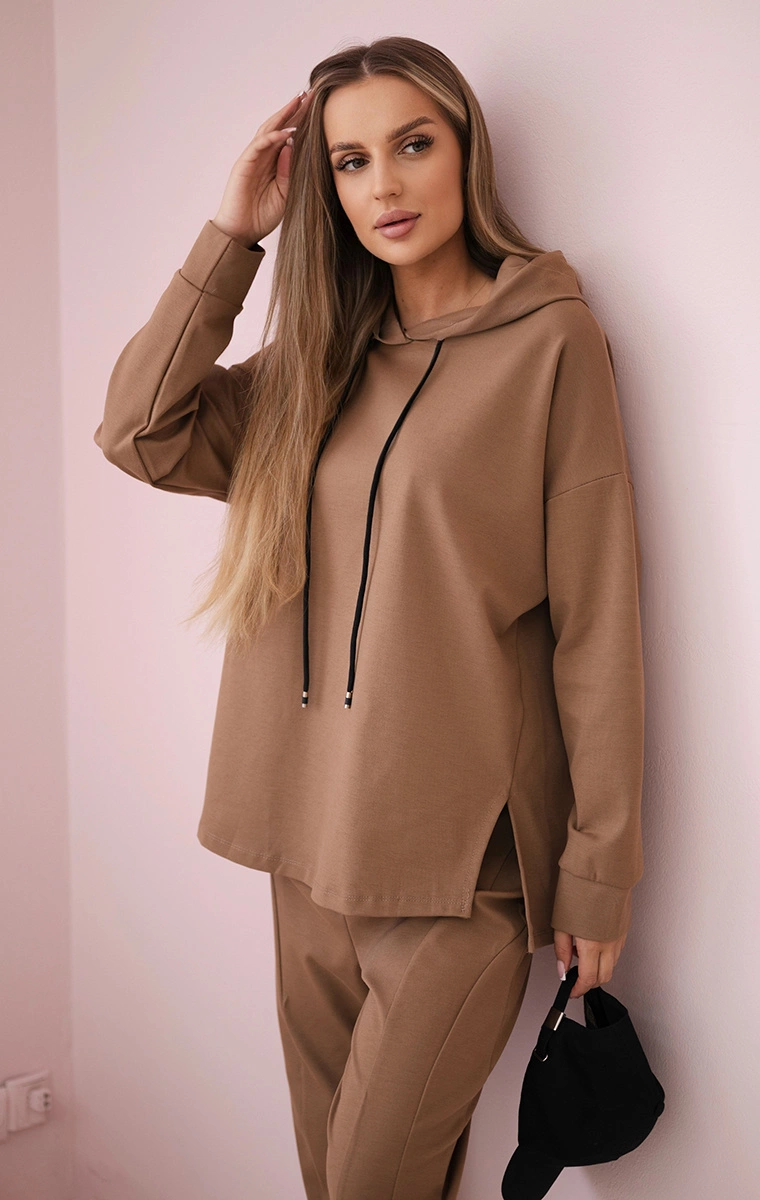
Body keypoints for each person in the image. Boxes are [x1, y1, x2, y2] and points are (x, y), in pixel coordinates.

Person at [93, 35, 645, 1200]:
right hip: (302, 846)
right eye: (349, 163)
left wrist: (598, 874)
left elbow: (596, 626)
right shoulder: (313, 365)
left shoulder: (552, 344)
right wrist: (233, 234)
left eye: (411, 145)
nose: (382, 186)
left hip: (460, 874)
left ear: (464, 152)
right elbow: (138, 431)